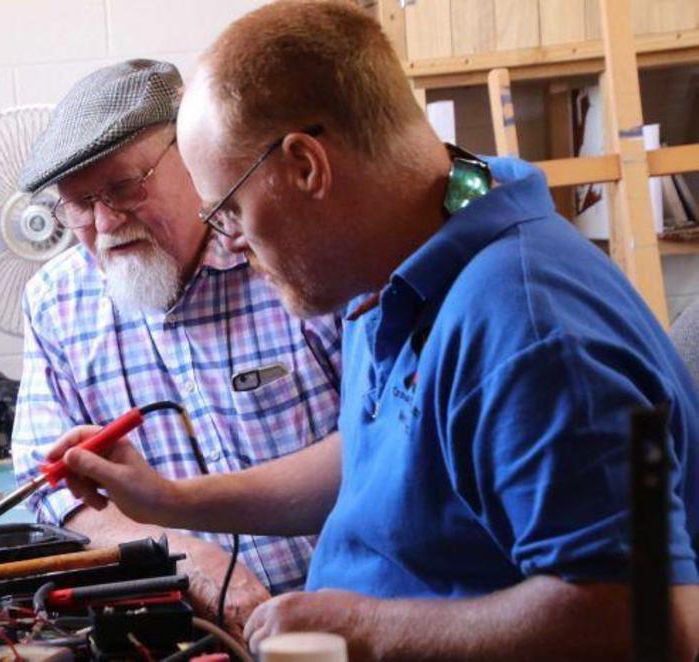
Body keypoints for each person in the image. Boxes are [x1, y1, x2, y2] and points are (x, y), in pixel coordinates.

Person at [45, 3, 699, 659]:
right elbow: (376, 455)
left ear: (306, 166)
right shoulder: (412, 254)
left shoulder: (532, 334)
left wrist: (374, 631)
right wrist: (170, 501)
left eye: (231, 211)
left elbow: (653, 624)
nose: (232, 243)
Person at [12, 59, 343, 633]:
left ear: (191, 156)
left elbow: (386, 438)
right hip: (190, 629)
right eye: (78, 203)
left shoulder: (284, 256)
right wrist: (189, 559)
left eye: (123, 187)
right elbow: (51, 492)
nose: (106, 221)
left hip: (356, 611)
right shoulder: (56, 303)